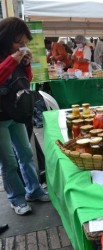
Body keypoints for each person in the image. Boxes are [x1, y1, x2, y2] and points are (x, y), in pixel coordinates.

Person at [0, 17, 49, 216]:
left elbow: (25, 80)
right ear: (6, 38)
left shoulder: (16, 55)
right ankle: (16, 199)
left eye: (25, 43)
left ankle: (34, 190)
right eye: (18, 42)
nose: (22, 46)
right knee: (9, 161)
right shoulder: (8, 56)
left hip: (16, 113)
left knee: (26, 154)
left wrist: (26, 63)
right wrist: (14, 60)